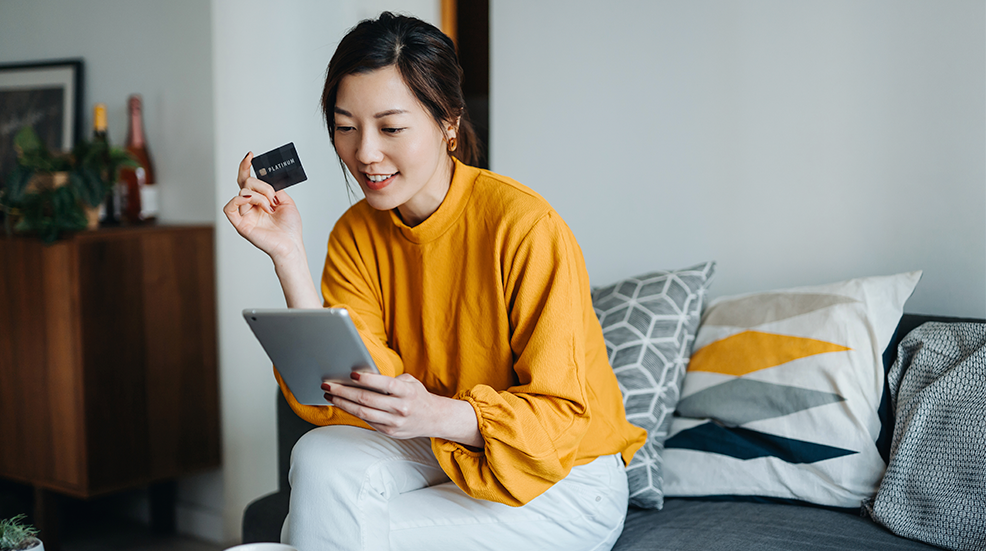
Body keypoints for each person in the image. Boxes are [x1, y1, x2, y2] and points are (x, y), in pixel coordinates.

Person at [224, 12, 646, 551]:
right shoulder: (356, 233)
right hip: (440, 444)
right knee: (318, 455)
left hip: (564, 477)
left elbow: (559, 419)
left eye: (391, 128)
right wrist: (287, 255)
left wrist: (435, 412)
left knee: (326, 534)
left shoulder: (524, 226)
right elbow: (350, 392)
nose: (365, 153)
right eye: (346, 127)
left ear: (448, 123)